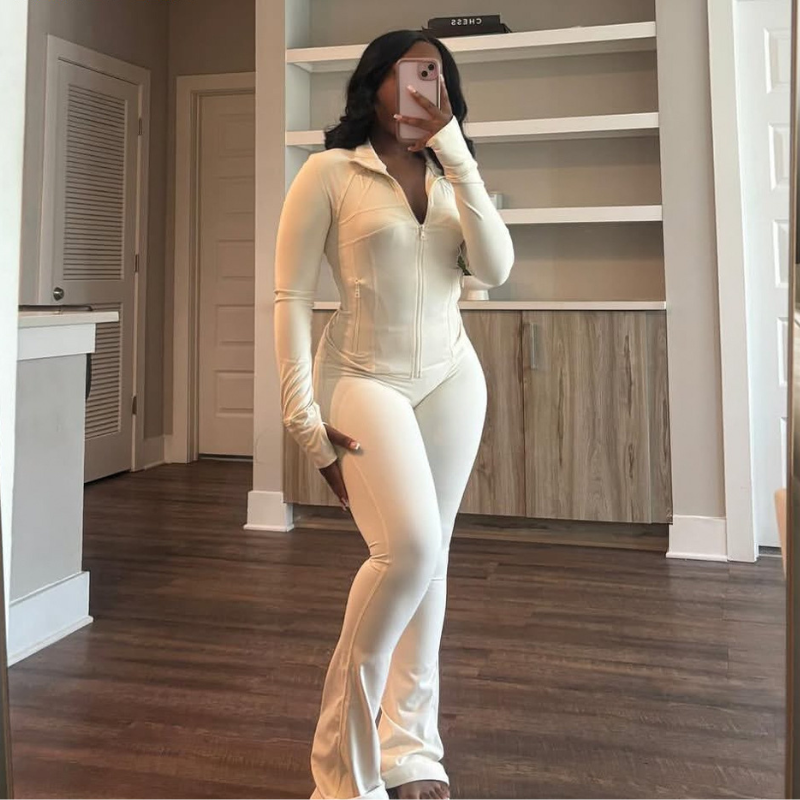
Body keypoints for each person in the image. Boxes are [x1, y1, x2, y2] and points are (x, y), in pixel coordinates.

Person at [273, 28, 514, 800]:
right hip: (361, 376)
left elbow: (497, 269)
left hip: (452, 378)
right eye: (411, 72)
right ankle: (341, 773)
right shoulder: (329, 172)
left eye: (437, 74)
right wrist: (303, 421)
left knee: (432, 561)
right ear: (375, 82)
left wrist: (458, 155)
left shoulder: (451, 173)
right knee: (405, 552)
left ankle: (411, 748)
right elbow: (290, 298)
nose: (424, 85)